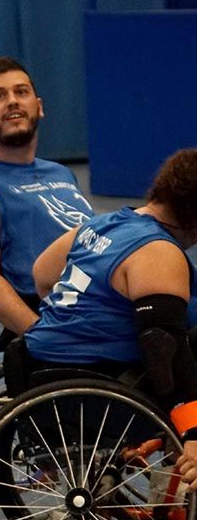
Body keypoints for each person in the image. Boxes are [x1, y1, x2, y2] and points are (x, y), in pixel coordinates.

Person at [23, 148, 197, 479]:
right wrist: (194, 431)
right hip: (105, 388)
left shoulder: (101, 225)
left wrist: (79, 326)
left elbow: (43, 276)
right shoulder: (158, 251)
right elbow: (164, 351)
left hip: (40, 368)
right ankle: (176, 467)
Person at [0, 56, 94, 349]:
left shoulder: (61, 173)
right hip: (66, 314)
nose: (12, 101)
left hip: (105, 291)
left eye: (21, 92)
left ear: (38, 107)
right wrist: (43, 336)